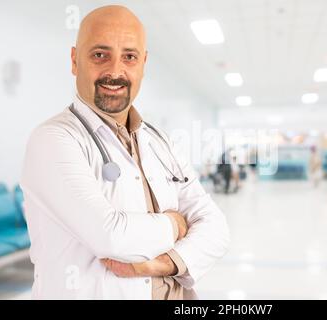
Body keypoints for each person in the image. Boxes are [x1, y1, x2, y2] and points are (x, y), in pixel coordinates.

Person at [20, 5, 229, 300]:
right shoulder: (53, 139)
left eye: (129, 57)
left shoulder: (160, 142)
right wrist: (176, 223)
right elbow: (112, 237)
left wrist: (164, 264)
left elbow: (216, 228)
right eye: (99, 55)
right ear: (74, 60)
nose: (115, 71)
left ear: (143, 63)